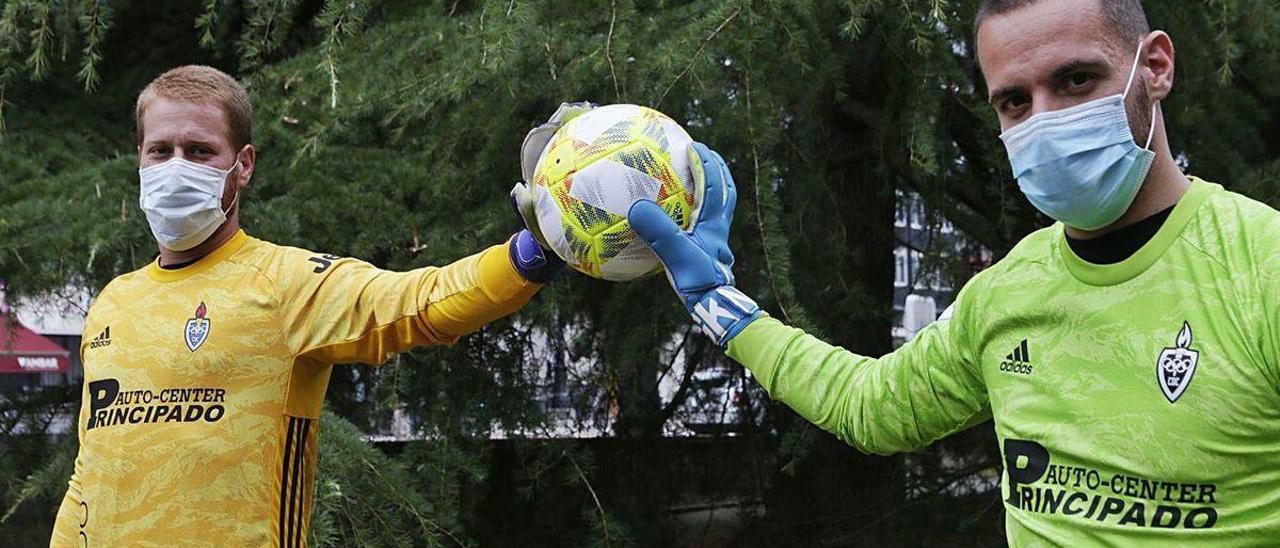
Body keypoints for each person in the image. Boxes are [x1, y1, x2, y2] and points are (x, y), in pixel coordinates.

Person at [626, 0, 1280, 544]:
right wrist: (717, 300)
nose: (1045, 120)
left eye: (1076, 80)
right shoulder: (1007, 293)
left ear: (1155, 67)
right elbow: (872, 408)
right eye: (1014, 102)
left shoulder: (1262, 269)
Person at [51, 65, 561, 547]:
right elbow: (90, 471)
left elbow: (418, 303)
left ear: (242, 165)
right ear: (140, 157)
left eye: (200, 150)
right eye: (160, 150)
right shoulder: (114, 301)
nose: (176, 167)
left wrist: (530, 254)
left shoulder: (286, 284)